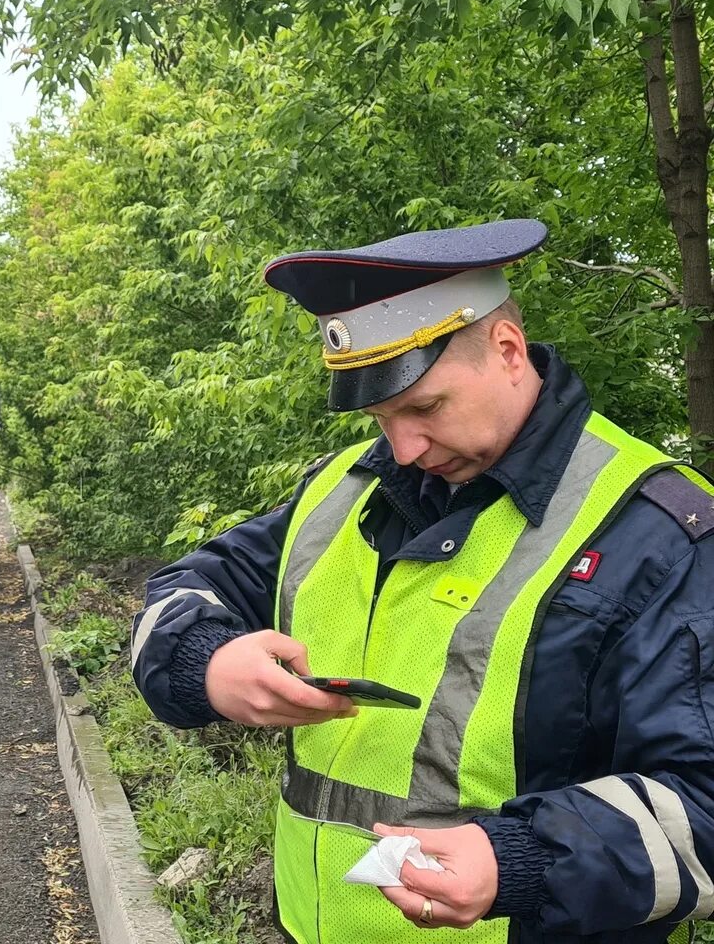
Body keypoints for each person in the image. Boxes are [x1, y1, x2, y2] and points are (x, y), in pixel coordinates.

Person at [130, 220, 714, 943]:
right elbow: (181, 592)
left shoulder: (655, 532)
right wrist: (208, 662)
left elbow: (704, 804)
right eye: (380, 418)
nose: (403, 448)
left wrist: (519, 860)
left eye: (424, 407)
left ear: (506, 350)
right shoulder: (341, 494)